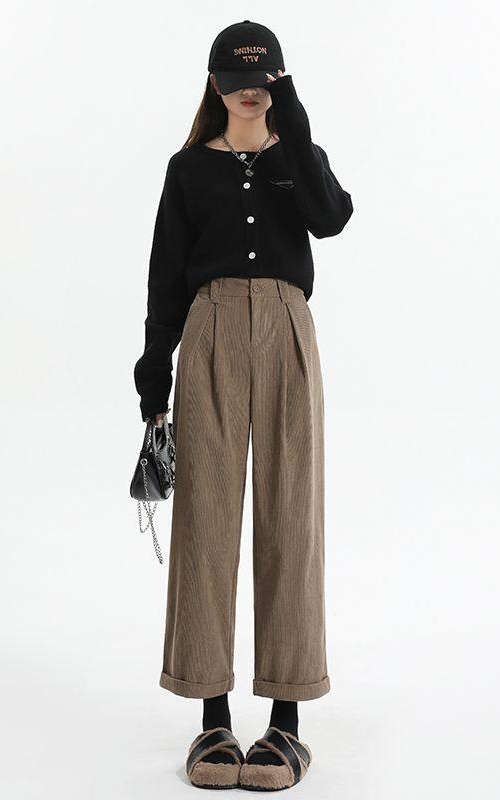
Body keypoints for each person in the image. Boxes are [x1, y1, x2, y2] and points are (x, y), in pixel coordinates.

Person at [133, 20, 354, 791]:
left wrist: (296, 125)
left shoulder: (299, 157)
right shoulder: (188, 168)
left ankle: (286, 725)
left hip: (288, 331)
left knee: (291, 516)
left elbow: (332, 218)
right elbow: (164, 279)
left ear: (280, 83)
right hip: (211, 328)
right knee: (206, 522)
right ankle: (213, 721)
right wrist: (153, 384)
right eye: (236, 79)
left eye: (264, 80)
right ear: (215, 85)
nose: (250, 91)